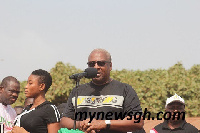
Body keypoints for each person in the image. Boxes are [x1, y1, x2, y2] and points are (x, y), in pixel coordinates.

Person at [60, 48, 144, 133]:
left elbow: (138, 121)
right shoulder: (77, 91)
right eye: (91, 64)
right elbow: (64, 120)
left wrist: (104, 123)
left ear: (110, 66)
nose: (96, 67)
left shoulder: (124, 90)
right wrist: (82, 124)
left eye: (101, 63)